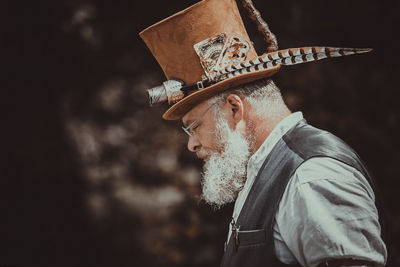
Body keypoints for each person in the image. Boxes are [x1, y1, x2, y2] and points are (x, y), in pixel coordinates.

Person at [139, 0, 387, 266]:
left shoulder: (312, 179)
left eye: (194, 126)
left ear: (234, 108)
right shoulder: (266, 168)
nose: (191, 144)